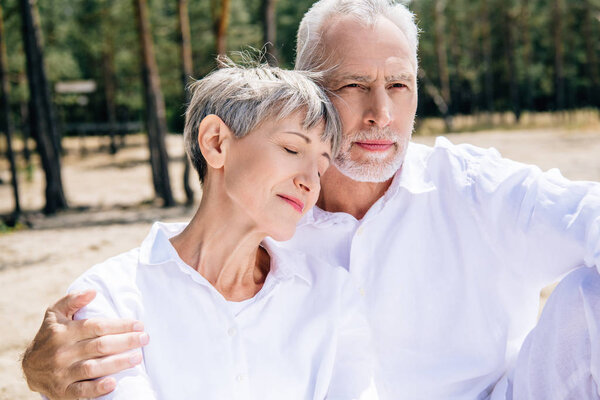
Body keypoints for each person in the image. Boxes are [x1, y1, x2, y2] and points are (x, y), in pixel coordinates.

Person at [22, 0, 600, 398]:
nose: (382, 113)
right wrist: (42, 367)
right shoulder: (265, 219)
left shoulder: (476, 188)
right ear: (308, 93)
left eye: (399, 85)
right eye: (353, 85)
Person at [24, 62, 379, 399]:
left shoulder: (332, 294)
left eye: (321, 167)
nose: (309, 182)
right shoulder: (109, 297)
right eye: (291, 148)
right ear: (215, 142)